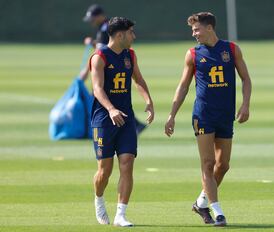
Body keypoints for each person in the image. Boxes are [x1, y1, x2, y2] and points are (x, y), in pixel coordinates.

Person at [164, 12, 251, 226]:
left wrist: (245, 104)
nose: (194, 33)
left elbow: (246, 79)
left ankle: (201, 202)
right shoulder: (192, 54)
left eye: (197, 29)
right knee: (208, 162)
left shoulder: (231, 49)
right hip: (203, 115)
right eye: (192, 30)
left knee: (223, 165)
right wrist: (171, 115)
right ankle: (217, 211)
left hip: (225, 115)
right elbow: (183, 86)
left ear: (209, 27)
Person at [90, 16, 154, 227]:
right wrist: (110, 109)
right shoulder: (99, 57)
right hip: (103, 119)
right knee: (104, 170)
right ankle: (99, 199)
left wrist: (148, 100)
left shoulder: (130, 55)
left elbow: (139, 80)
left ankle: (120, 215)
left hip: (126, 119)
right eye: (131, 33)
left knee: (127, 164)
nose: (133, 36)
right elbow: (97, 89)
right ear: (120, 35)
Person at [82, 4, 147, 135]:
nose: (92, 21)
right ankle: (135, 124)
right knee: (112, 96)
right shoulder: (107, 26)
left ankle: (126, 125)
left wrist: (85, 72)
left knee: (105, 95)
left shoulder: (105, 29)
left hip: (109, 68)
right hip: (109, 64)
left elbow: (100, 50)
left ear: (100, 16)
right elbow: (106, 46)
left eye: (93, 18)